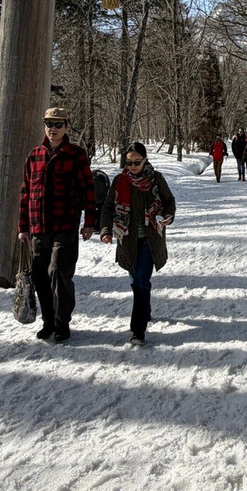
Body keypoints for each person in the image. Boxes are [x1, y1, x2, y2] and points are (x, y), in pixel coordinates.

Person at [18, 107, 97, 343]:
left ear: (66, 127)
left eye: (58, 124)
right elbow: (25, 193)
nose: (53, 129)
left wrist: (90, 222)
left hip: (65, 226)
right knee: (41, 277)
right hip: (38, 228)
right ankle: (48, 322)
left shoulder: (76, 155)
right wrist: (23, 227)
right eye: (49, 124)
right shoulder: (34, 155)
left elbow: (88, 190)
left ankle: (63, 323)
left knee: (60, 273)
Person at [96, 141, 176, 346]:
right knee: (136, 281)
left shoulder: (156, 179)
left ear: (145, 160)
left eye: (137, 162)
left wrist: (168, 215)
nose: (132, 166)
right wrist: (105, 230)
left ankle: (137, 331)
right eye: (129, 162)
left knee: (140, 281)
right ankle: (145, 310)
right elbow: (107, 208)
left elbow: (169, 201)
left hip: (150, 239)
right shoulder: (120, 181)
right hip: (127, 240)